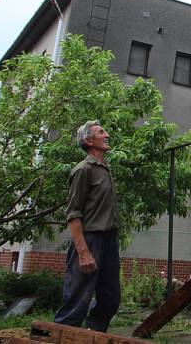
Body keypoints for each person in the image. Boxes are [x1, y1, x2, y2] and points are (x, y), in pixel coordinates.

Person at [54, 121, 121, 332]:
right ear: (89, 140)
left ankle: (93, 334)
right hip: (89, 240)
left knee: (110, 298)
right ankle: (61, 335)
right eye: (101, 132)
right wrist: (83, 252)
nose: (107, 134)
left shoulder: (104, 168)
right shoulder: (83, 170)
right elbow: (73, 215)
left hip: (109, 240)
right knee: (76, 302)